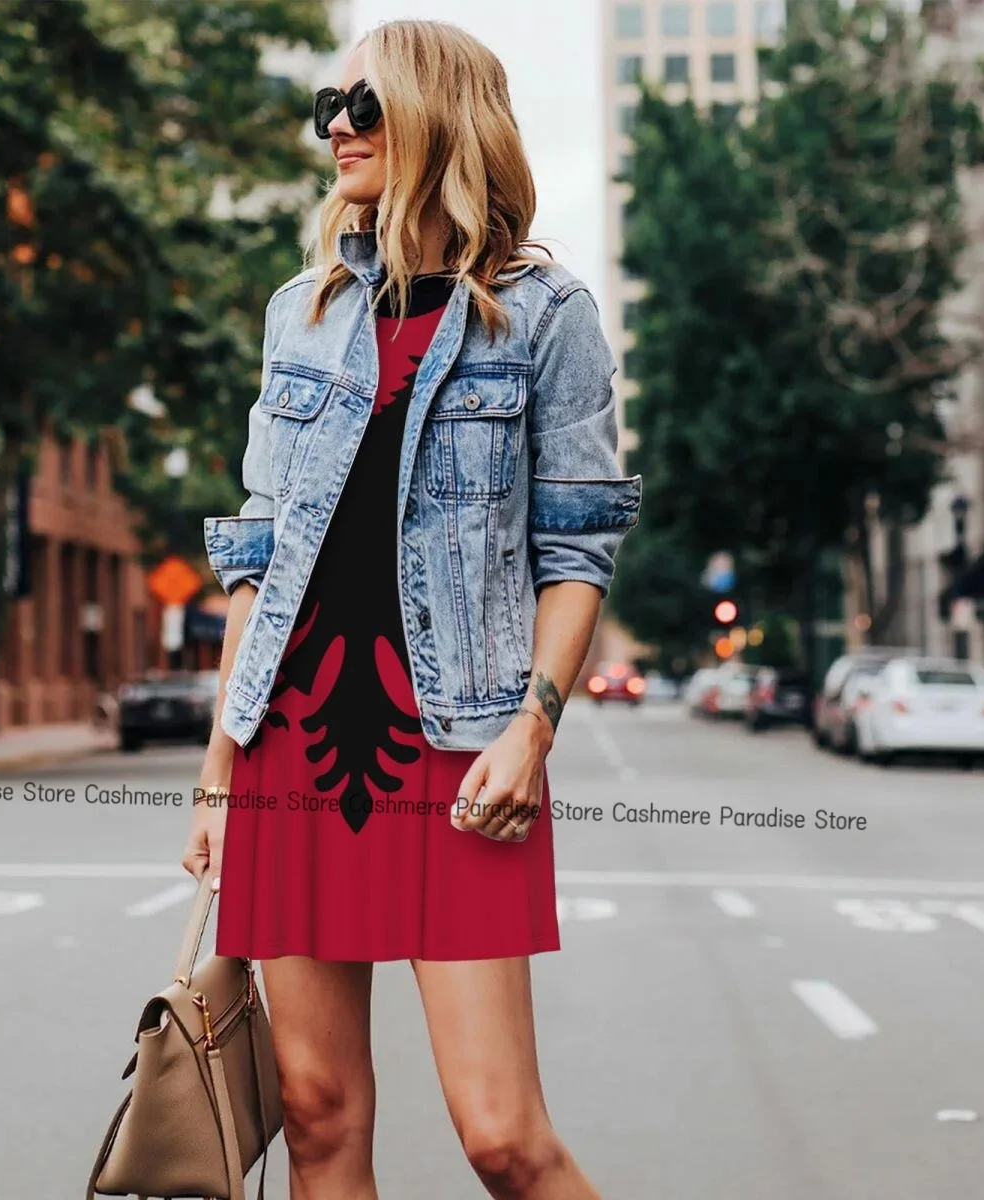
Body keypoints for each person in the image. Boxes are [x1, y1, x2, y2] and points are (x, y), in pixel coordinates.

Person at [183, 19, 641, 1200]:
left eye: (364, 107)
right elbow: (259, 550)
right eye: (328, 106)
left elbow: (576, 549)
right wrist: (219, 775)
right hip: (293, 736)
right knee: (322, 1119)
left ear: (441, 116)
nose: (336, 126)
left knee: (503, 1137)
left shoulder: (545, 315)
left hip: (460, 747)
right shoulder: (304, 311)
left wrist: (533, 729)